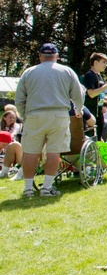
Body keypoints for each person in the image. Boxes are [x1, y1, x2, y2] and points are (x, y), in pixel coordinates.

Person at [14, 43, 86, 198]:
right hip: (58, 114)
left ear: (40, 56)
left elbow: (19, 99)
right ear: (57, 56)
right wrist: (79, 110)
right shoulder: (66, 71)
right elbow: (78, 94)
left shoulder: (28, 72)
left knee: (30, 152)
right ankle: (46, 188)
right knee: (54, 151)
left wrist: (25, 116)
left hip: (35, 114)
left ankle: (28, 188)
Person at [81, 52, 107, 142]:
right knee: (92, 137)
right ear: (95, 63)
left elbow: (99, 92)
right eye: (103, 62)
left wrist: (105, 98)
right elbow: (91, 93)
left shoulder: (99, 76)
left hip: (99, 111)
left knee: (99, 135)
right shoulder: (89, 75)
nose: (105, 65)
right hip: (91, 111)